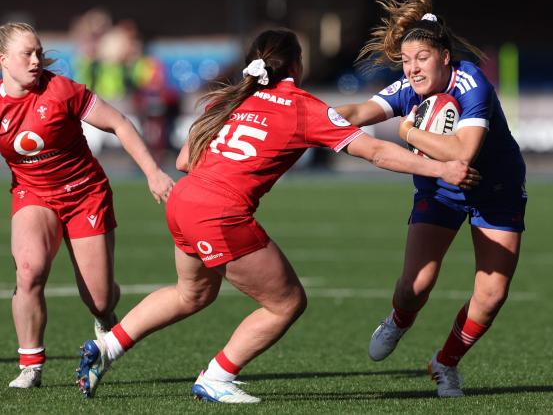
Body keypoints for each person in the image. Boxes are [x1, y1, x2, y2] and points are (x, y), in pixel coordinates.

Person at [75, 28, 480, 403]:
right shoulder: (302, 107)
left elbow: (184, 159)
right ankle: (216, 377)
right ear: (297, 66)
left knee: (191, 294)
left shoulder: (229, 98)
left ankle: (106, 347)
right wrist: (442, 168)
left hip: (184, 201)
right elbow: (374, 151)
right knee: (285, 303)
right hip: (219, 213)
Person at [336, 0, 527, 397]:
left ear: (444, 56)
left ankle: (445, 363)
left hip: (495, 189)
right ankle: (399, 320)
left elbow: (462, 153)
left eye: (421, 57)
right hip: (441, 189)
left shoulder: (472, 84)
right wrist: (301, 119)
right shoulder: (409, 87)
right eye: (406, 60)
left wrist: (407, 132)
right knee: (414, 288)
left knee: (492, 296)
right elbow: (354, 114)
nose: (412, 68)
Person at [0, 22, 175, 388]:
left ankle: (105, 308)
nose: (36, 60)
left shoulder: (61, 90)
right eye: (26, 54)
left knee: (98, 299)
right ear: (3, 60)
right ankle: (30, 365)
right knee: (29, 271)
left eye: (38, 52)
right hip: (34, 194)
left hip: (84, 193)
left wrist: (153, 173)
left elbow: (121, 124)